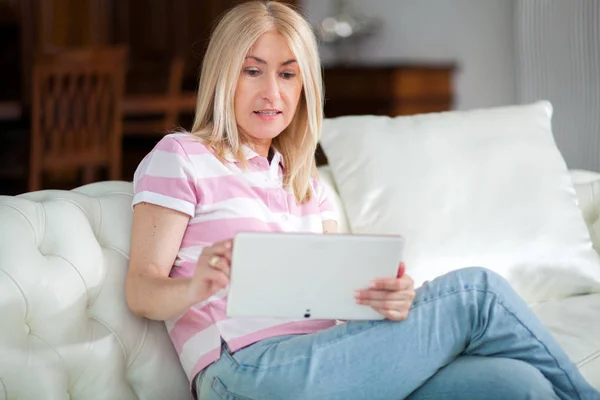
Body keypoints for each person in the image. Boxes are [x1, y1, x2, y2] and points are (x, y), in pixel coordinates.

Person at [125, 1, 600, 399]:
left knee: (515, 384)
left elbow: (339, 303)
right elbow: (141, 290)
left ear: (304, 88)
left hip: (332, 359)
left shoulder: (306, 185)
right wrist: (194, 288)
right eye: (253, 71)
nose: (272, 92)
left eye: (288, 75)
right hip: (245, 372)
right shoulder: (181, 156)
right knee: (475, 293)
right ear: (224, 76)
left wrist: (383, 301)